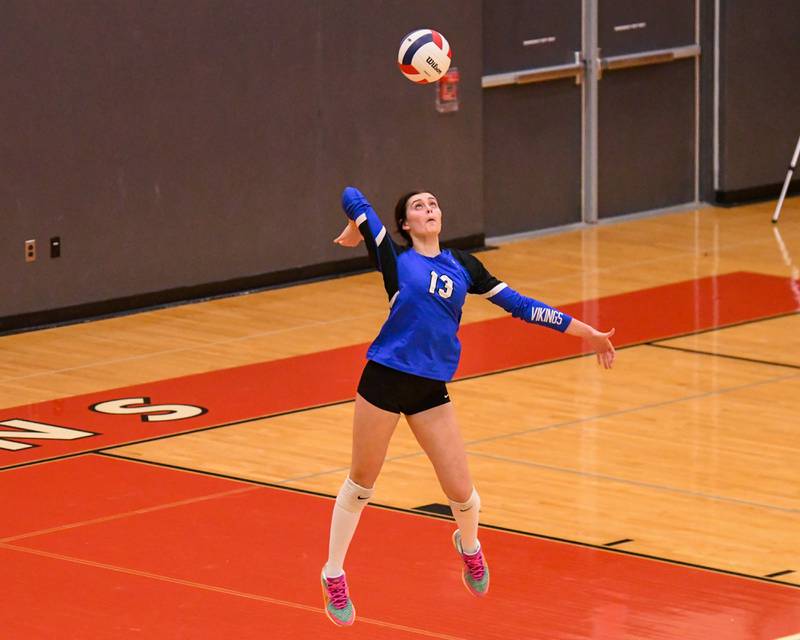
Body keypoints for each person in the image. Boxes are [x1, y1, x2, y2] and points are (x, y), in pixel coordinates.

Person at [320, 186, 616, 626]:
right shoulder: (394, 259)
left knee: (462, 492)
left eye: (434, 203)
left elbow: (521, 306)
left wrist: (584, 332)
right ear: (405, 224)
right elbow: (351, 195)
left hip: (429, 390)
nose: (429, 209)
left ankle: (470, 546)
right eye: (418, 206)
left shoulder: (464, 266)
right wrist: (356, 225)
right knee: (362, 484)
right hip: (383, 380)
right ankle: (333, 574)